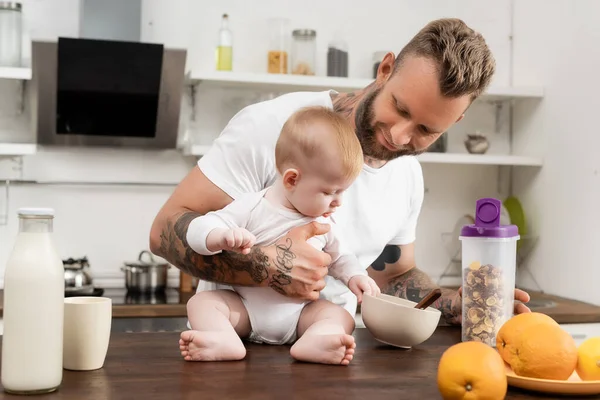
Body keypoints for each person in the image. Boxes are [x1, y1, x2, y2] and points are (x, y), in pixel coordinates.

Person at [149, 17, 531, 328]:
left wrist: (452, 304)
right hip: (231, 346)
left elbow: (393, 275)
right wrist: (266, 266)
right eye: (399, 107)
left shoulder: (408, 177)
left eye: (426, 131)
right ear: (385, 70)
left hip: (326, 354)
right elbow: (164, 229)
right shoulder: (275, 126)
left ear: (456, 122)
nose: (400, 136)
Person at [178, 106, 381, 365]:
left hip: (300, 317)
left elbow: (341, 258)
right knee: (202, 303)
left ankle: (315, 341)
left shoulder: (324, 222)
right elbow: (197, 229)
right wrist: (219, 236)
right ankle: (223, 339)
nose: (338, 202)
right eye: (330, 192)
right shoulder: (253, 206)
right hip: (243, 312)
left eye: (343, 192)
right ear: (292, 180)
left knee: (341, 317)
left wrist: (356, 276)